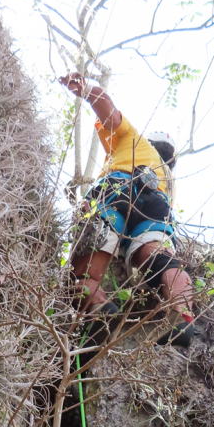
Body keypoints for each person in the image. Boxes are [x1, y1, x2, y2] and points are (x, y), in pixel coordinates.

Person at [60, 73, 195, 347]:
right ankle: (183, 317)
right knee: (156, 254)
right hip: (156, 208)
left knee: (85, 275)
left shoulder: (135, 141)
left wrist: (87, 89)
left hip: (118, 190)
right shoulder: (167, 181)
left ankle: (100, 309)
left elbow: (110, 114)